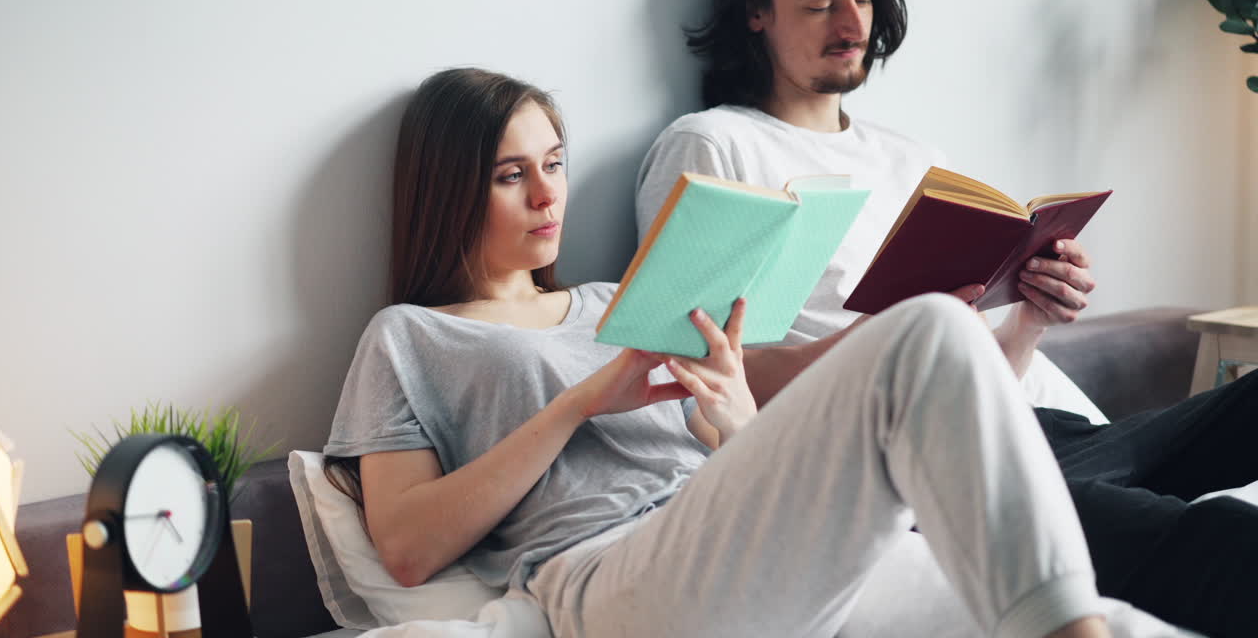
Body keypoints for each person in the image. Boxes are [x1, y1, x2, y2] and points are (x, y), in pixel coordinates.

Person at [322, 67, 1111, 638]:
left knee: (1104, 617)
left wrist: (735, 409)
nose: (547, 194)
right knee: (931, 330)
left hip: (743, 522)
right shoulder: (411, 334)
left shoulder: (614, 301)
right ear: (449, 189)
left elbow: (781, 394)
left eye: (555, 163)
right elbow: (406, 550)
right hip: (610, 569)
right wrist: (578, 403)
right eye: (510, 174)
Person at [634, 0, 1258, 635]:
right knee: (1210, 542)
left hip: (1027, 427)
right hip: (904, 465)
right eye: (820, 4)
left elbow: (981, 369)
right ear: (755, 11)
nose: (852, 25)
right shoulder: (715, 144)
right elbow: (695, 379)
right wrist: (890, 343)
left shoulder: (911, 156)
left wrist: (1029, 315)